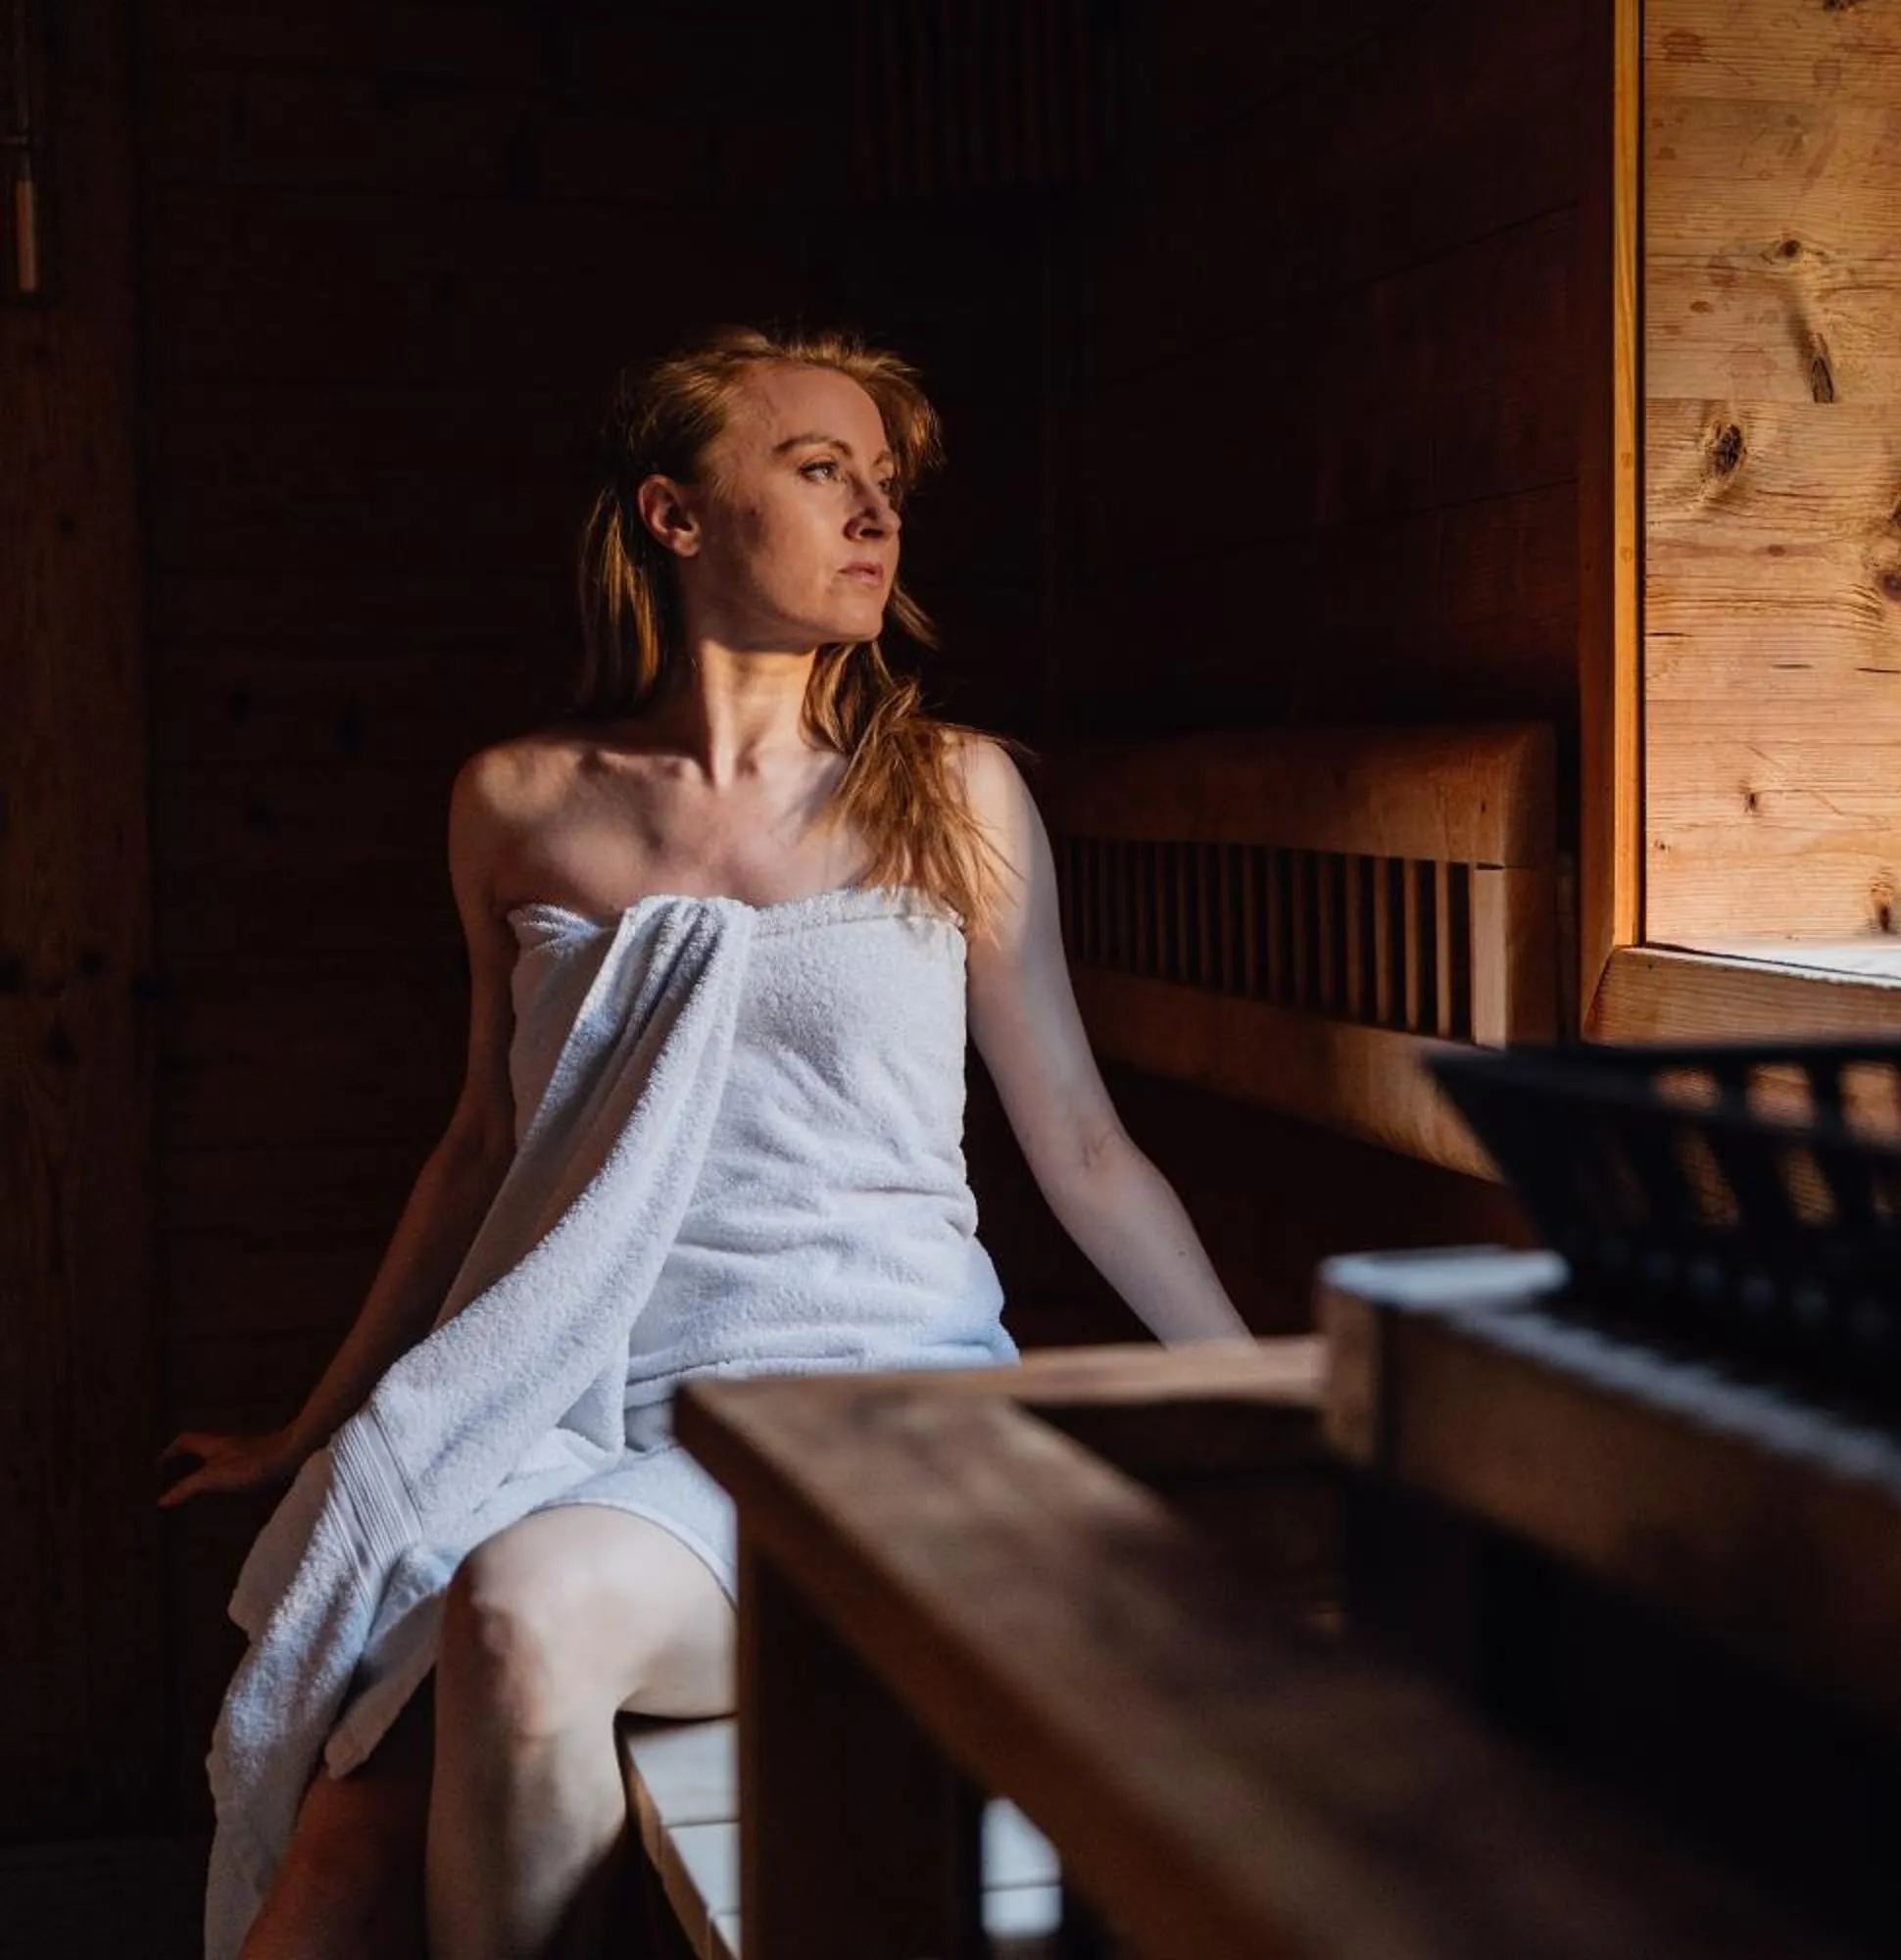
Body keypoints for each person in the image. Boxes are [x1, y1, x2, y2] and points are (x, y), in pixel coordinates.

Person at [157, 323, 1251, 1960]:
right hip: (592, 1419)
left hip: (873, 1422)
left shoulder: (947, 795)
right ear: (675, 513)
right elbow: (480, 1154)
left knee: (513, 1625)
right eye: (823, 474)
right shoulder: (520, 805)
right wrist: (309, 1428)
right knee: (339, 1850)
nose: (875, 516)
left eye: (886, 487)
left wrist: (1283, 1409)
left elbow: (1084, 1151)